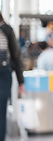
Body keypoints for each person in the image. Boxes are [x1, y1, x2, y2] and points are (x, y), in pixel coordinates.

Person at [0, 12, 25, 141]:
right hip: (4, 74)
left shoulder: (6, 29)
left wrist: (21, 81)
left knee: (1, 111)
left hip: (3, 74)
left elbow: (16, 55)